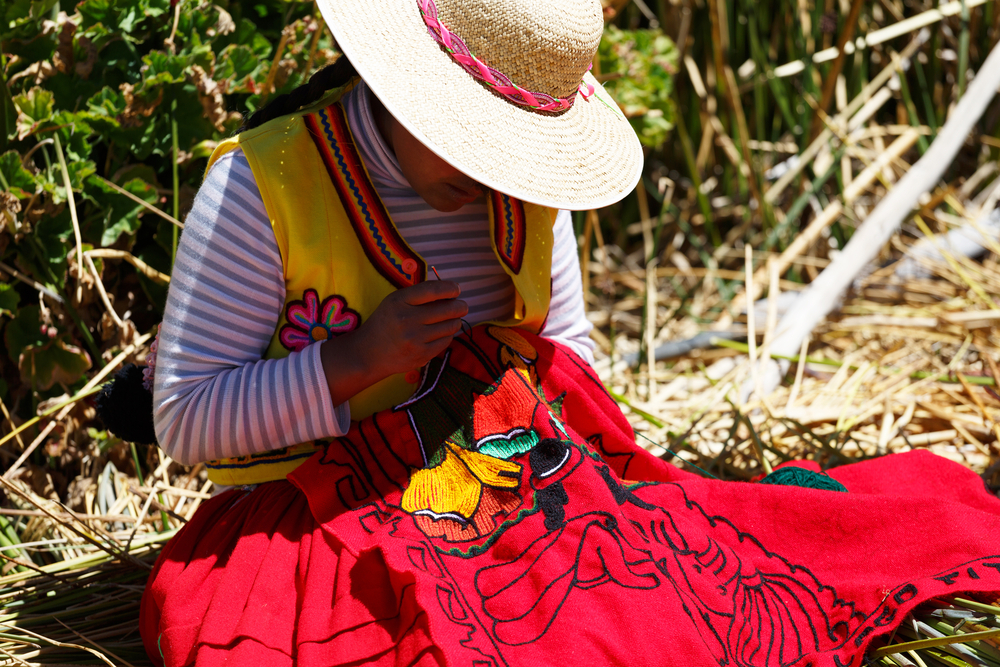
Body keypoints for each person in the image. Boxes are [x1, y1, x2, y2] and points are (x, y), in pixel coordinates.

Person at [132, 0, 1000, 665]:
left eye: (507, 150)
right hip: (315, 510)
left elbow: (572, 359)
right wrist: (359, 361)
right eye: (469, 143)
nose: (487, 175)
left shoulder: (521, 190)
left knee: (655, 612)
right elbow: (186, 419)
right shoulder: (266, 189)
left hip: (505, 487)